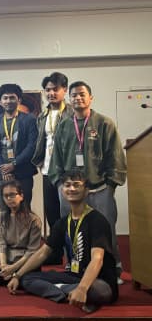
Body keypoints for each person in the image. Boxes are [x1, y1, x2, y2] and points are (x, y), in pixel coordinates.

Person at [7, 171, 119, 313]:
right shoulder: (62, 222)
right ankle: (66, 294)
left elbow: (97, 259)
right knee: (27, 278)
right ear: (63, 190)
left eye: (76, 185)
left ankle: (73, 292)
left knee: (96, 291)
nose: (71, 189)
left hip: (98, 281)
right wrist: (17, 275)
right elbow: (43, 253)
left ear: (86, 191)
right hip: (73, 276)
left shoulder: (97, 221)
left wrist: (83, 288)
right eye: (67, 185)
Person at [49, 81, 127, 278]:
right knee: (71, 228)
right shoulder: (64, 126)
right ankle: (72, 266)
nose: (78, 98)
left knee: (106, 227)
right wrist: (59, 184)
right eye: (74, 95)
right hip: (71, 189)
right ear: (70, 99)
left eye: (82, 94)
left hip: (99, 188)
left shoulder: (104, 123)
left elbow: (116, 156)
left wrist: (110, 185)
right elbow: (56, 156)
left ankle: (113, 268)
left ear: (91, 98)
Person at [31, 72, 73, 264]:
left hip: (67, 173)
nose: (51, 93)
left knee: (69, 216)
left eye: (55, 89)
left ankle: (74, 256)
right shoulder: (43, 115)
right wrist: (39, 162)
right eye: (47, 90)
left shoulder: (72, 113)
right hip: (48, 171)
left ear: (64, 90)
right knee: (53, 215)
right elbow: (42, 142)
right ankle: (56, 254)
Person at [0, 83, 37, 212]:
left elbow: (31, 146)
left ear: (19, 100)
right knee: (4, 211)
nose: (8, 101)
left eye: (12, 97)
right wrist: (4, 168)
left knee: (24, 210)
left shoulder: (29, 120)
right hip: (1, 174)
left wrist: (14, 164)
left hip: (22, 172)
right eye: (5, 98)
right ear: (0, 101)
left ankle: (24, 234)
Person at [0, 180, 42, 286]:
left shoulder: (34, 220)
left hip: (26, 262)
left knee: (29, 277)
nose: (8, 199)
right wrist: (3, 266)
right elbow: (0, 244)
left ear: (21, 196)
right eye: (5, 196)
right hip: (9, 260)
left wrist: (13, 269)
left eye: (12, 195)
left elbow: (32, 251)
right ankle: (15, 279)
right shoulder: (2, 217)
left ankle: (17, 278)